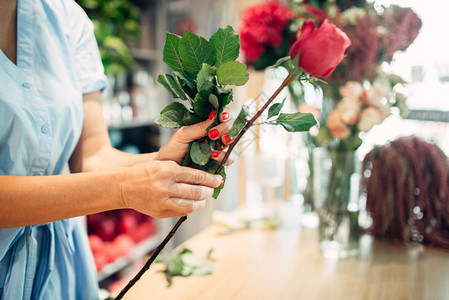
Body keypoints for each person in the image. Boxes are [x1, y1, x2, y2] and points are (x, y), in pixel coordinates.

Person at [0, 0, 234, 298]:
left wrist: (165, 159)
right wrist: (123, 188)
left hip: (58, 274)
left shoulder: (67, 19)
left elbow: (93, 154)